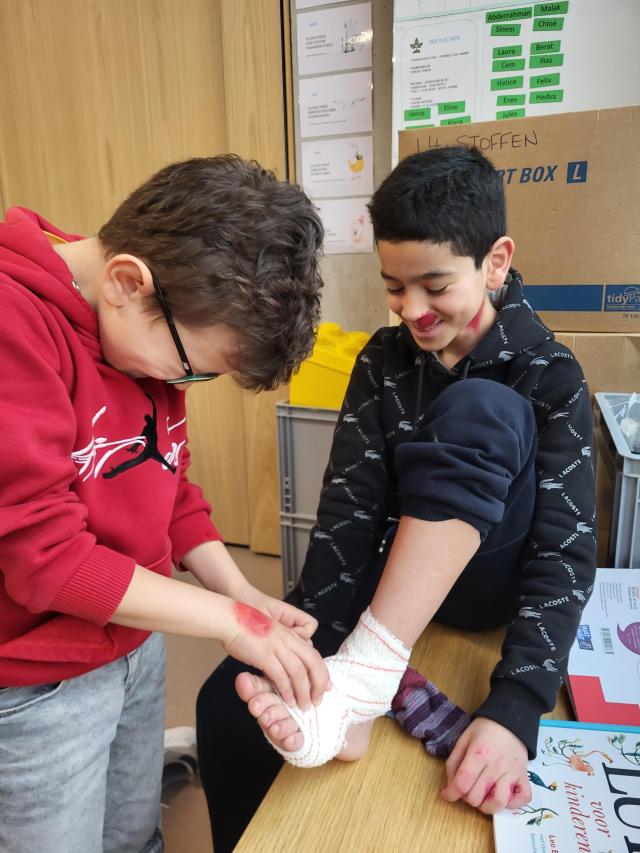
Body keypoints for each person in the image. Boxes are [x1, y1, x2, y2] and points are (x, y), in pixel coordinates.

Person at [197, 145, 597, 851]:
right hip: (387, 580)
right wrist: (314, 642)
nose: (412, 309)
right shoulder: (382, 358)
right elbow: (348, 511)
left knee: (483, 408)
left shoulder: (551, 372)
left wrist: (516, 707)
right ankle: (359, 688)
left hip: (485, 580)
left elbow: (563, 553)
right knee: (222, 707)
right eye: (393, 287)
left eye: (434, 286)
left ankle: (370, 672)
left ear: (495, 262)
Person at [0, 154, 330, 853]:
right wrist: (231, 622)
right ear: (127, 283)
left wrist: (242, 593)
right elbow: (48, 562)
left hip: (134, 637)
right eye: (190, 368)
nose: (182, 385)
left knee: (133, 831)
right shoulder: (16, 326)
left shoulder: (143, 325)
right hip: (35, 684)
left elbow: (168, 484)